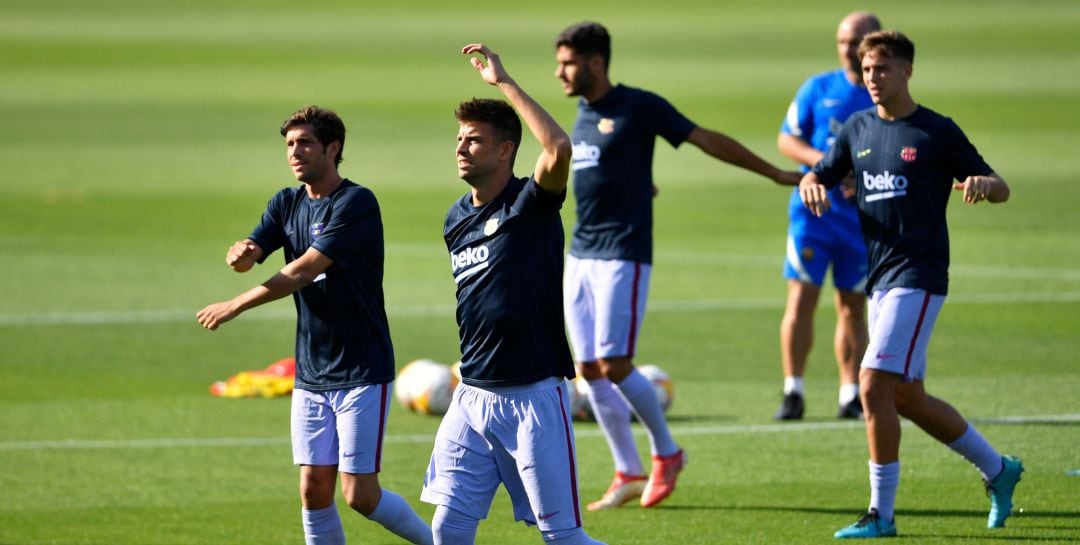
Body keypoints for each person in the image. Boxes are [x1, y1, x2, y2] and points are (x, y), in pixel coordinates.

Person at [553, 21, 801, 510]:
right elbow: (605, 173)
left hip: (622, 253)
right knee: (587, 370)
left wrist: (774, 173)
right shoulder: (581, 115)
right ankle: (627, 470)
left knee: (615, 363)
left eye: (568, 62)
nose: (559, 72)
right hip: (579, 255)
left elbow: (704, 138)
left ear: (596, 62)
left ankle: (668, 452)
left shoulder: (640, 106)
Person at [798, 31, 1023, 538]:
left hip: (918, 276)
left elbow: (1001, 186)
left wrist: (987, 186)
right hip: (879, 280)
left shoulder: (936, 132)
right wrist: (811, 182)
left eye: (882, 68)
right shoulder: (856, 129)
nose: (873, 78)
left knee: (873, 382)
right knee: (907, 398)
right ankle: (999, 470)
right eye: (867, 69)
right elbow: (820, 173)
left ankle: (882, 515)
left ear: (907, 72)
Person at [196, 106, 433, 545]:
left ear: (333, 148)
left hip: (361, 368)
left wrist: (236, 304)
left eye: (305, 143)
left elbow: (304, 270)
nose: (295, 152)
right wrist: (244, 252)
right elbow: (256, 247)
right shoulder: (286, 202)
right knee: (312, 489)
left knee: (360, 495)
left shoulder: (356, 203)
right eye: (289, 144)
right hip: (311, 371)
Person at [419, 44, 605, 545]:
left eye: (474, 140)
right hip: (472, 395)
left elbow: (558, 149)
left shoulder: (531, 204)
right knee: (449, 526)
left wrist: (502, 82)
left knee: (563, 538)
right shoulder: (455, 218)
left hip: (534, 398)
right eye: (459, 138)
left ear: (505, 150)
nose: (461, 147)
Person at [774, 12, 881, 421]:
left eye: (856, 40)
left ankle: (850, 393)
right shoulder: (818, 88)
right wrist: (828, 163)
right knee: (801, 299)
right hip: (813, 214)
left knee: (853, 305)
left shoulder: (881, 95)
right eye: (842, 41)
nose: (848, 49)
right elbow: (787, 137)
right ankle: (793, 391)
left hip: (861, 219)